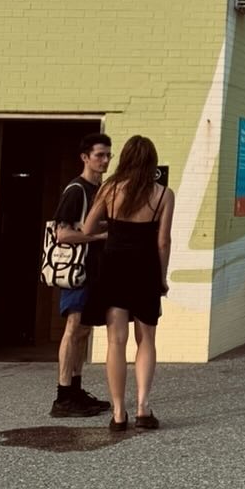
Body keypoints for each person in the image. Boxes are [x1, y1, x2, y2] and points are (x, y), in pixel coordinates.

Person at [80, 136, 174, 432]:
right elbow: (163, 242)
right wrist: (161, 278)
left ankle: (119, 413)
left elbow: (87, 228)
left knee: (115, 341)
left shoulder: (109, 188)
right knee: (146, 339)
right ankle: (143, 409)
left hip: (114, 267)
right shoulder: (163, 194)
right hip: (145, 269)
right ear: (151, 162)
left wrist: (112, 225)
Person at [49, 132, 113, 417]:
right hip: (77, 270)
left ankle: (75, 390)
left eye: (108, 155)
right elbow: (62, 234)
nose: (105, 160)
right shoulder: (76, 190)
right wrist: (98, 237)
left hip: (94, 270)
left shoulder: (99, 190)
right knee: (73, 328)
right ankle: (63, 397)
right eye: (100, 155)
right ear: (85, 157)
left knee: (84, 330)